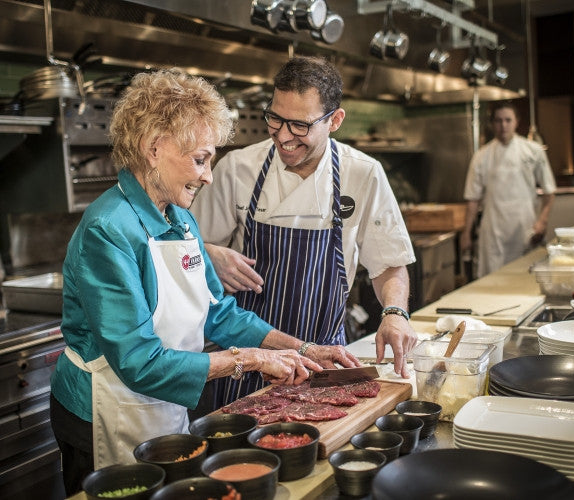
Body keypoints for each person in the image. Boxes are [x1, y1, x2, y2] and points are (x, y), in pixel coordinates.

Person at [49, 68, 360, 496]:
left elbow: (217, 312)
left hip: (165, 403)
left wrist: (301, 347)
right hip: (105, 409)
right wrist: (248, 360)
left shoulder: (179, 218)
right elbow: (138, 361)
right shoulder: (108, 230)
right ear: (153, 149)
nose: (209, 176)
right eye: (200, 159)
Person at [192, 56, 417, 408]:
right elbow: (185, 252)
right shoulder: (238, 169)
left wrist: (395, 314)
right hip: (248, 361)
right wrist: (208, 253)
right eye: (275, 118)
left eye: (299, 125)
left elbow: (388, 263)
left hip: (324, 363)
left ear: (335, 120)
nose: (283, 136)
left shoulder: (364, 174)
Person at [460, 101, 556, 278]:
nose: (503, 125)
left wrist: (542, 221)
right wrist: (466, 233)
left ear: (516, 122)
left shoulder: (533, 151)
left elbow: (549, 192)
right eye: (498, 121)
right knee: (492, 281)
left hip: (525, 228)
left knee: (525, 280)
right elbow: (473, 198)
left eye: (508, 120)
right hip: (493, 232)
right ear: (492, 123)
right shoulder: (481, 156)